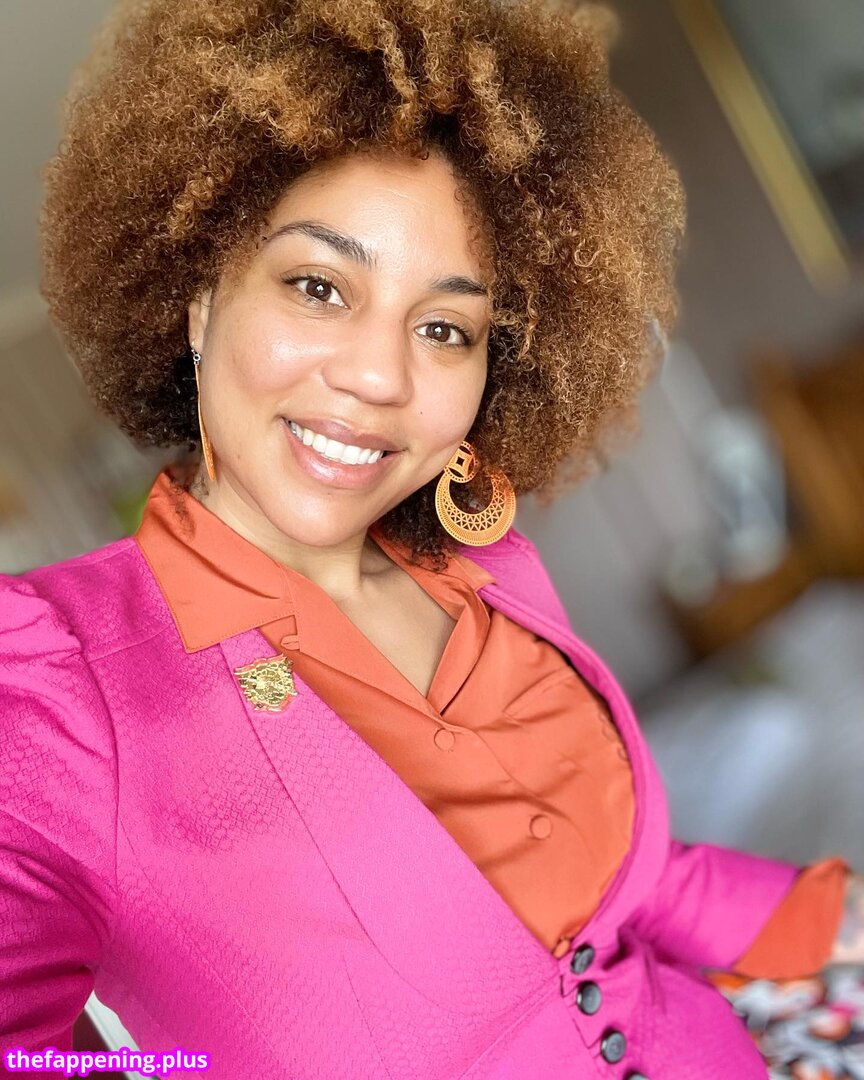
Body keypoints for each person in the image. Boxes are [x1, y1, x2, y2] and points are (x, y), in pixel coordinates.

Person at [1, 0, 861, 1076]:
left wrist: (835, 920)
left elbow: (635, 886)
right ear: (201, 303)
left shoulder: (488, 572)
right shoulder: (54, 681)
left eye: (445, 327)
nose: (380, 377)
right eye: (319, 286)